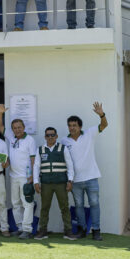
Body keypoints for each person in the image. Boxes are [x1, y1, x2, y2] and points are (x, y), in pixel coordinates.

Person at [63, 102, 109, 241]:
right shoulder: (64, 141)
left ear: (80, 127)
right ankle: (82, 230)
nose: (72, 128)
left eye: (74, 125)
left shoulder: (89, 133)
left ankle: (96, 231)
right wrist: (68, 179)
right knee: (79, 206)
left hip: (91, 177)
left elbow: (104, 125)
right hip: (75, 181)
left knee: (94, 204)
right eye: (70, 125)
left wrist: (101, 114)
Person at [34, 127, 79, 240]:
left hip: (61, 183)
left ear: (56, 136)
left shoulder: (63, 148)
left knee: (64, 207)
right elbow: (36, 166)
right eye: (48, 135)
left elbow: (70, 165)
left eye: (52, 135)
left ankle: (68, 231)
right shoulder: (40, 149)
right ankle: (43, 231)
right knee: (44, 207)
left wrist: (70, 180)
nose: (50, 137)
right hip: (46, 183)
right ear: (45, 137)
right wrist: (36, 182)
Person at [7, 118, 38, 239]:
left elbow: (33, 159)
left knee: (27, 203)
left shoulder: (30, 140)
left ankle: (27, 229)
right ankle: (20, 228)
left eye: (19, 127)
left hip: (26, 177)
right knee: (15, 203)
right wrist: (0, 114)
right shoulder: (12, 139)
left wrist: (33, 176)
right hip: (13, 176)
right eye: (15, 128)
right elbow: (0, 126)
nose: (17, 130)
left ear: (24, 127)